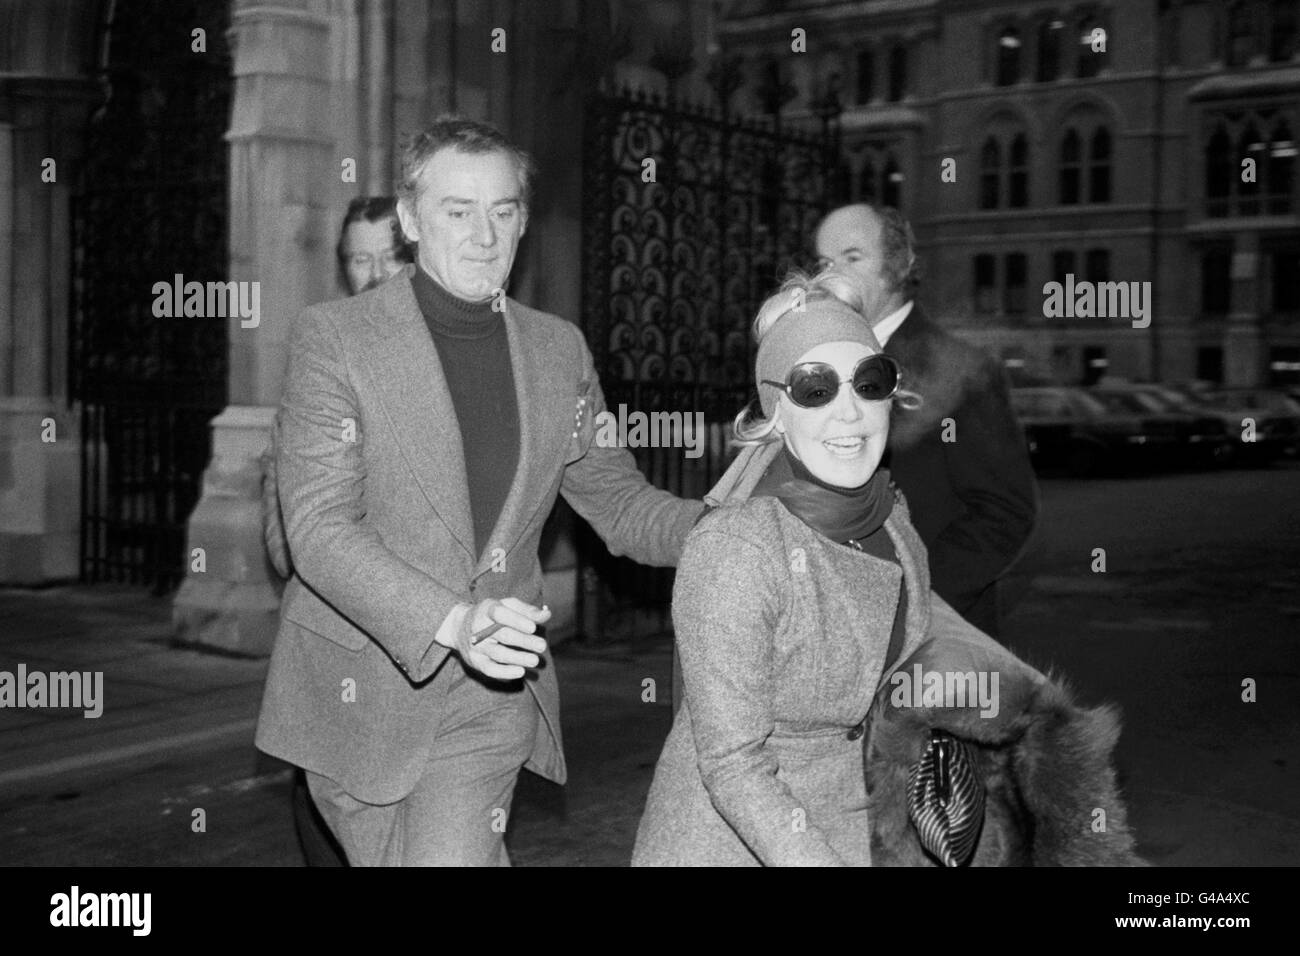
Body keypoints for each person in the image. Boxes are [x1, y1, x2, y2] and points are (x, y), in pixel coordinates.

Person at [255, 116, 703, 866]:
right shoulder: (336, 339)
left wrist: (734, 524)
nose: (483, 235)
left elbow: (620, 504)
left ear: (523, 220)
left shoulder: (559, 350)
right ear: (409, 220)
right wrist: (453, 620)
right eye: (456, 211)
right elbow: (319, 531)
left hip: (488, 687)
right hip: (357, 688)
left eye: (502, 212)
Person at [633, 270, 1140, 867]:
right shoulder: (737, 548)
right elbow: (731, 764)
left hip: (856, 827)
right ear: (776, 412)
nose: (849, 413)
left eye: (868, 382)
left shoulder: (894, 522)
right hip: (733, 844)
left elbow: (914, 657)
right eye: (815, 389)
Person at [260, 195, 412, 867]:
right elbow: (283, 540)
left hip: (434, 677)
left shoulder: (461, 368)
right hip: (341, 664)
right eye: (359, 260)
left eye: (391, 257)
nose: (375, 274)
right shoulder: (320, 364)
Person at [815, 204, 1038, 636]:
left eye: (852, 257)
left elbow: (1005, 512)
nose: (831, 275)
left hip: (926, 646)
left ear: (898, 267)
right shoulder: (818, 361)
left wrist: (911, 601)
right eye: (824, 262)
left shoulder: (960, 368)